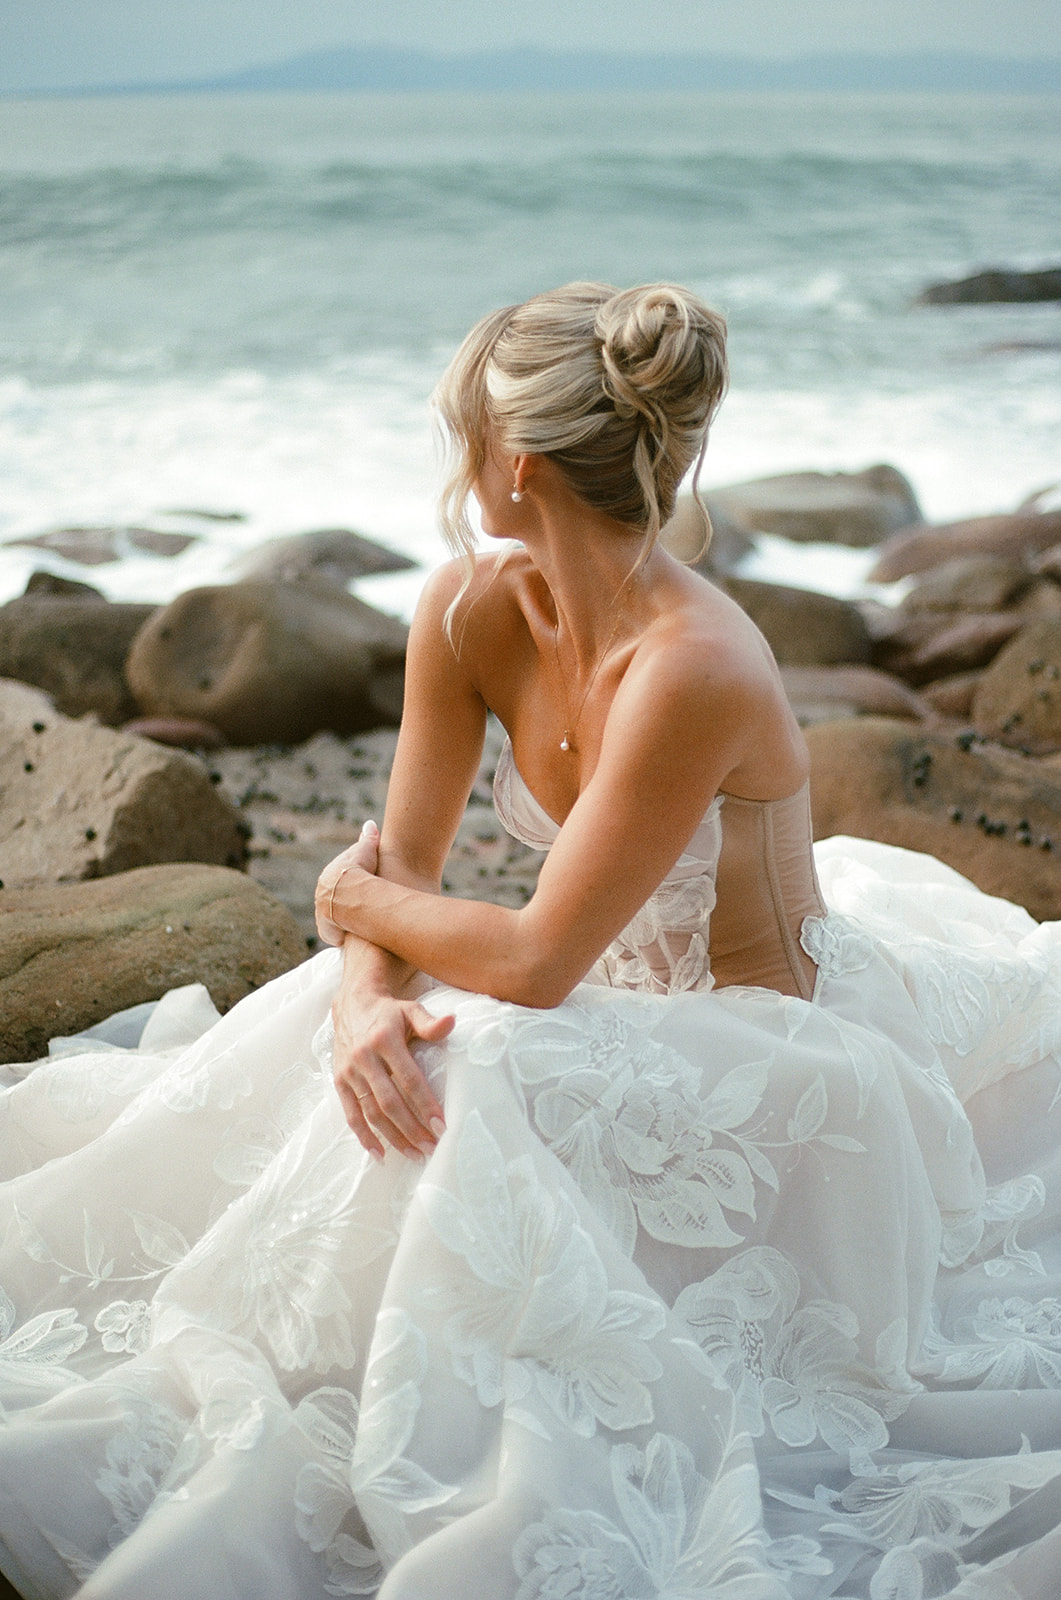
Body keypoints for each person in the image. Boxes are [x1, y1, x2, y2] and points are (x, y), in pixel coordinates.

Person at [1, 283, 1061, 1600]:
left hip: (776, 1056)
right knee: (349, 1043)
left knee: (478, 1066)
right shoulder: (467, 610)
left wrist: (355, 913)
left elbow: (517, 952)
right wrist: (357, 1002)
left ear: (512, 466)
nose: (449, 465)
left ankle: (418, 1425)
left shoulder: (696, 667)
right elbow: (407, 865)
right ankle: (305, 1352)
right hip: (592, 1004)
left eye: (459, 435)